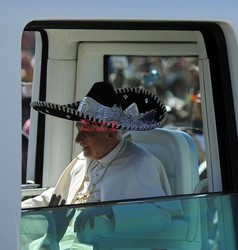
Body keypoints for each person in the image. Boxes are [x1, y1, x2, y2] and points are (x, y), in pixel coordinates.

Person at [22, 82, 182, 249]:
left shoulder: (140, 163)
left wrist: (110, 212)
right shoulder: (83, 160)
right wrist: (17, 209)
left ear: (110, 134)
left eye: (86, 133)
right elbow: (58, 197)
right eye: (78, 130)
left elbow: (161, 216)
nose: (77, 139)